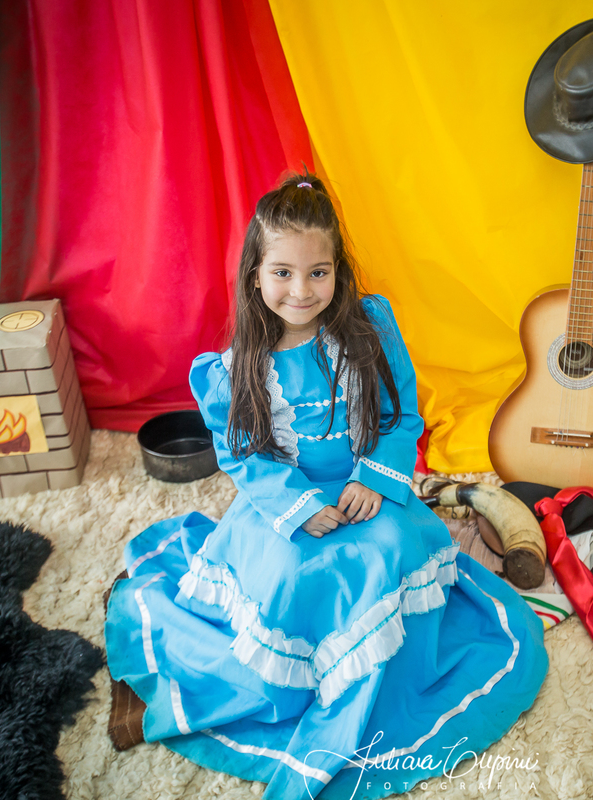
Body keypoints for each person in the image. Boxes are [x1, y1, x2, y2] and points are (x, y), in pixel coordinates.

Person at [104, 174, 547, 800]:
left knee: (391, 548)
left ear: (338, 269)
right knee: (291, 573)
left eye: (318, 272)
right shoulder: (236, 366)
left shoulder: (370, 328)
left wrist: (374, 477)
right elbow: (243, 454)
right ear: (255, 274)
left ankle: (385, 683)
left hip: (366, 487)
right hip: (284, 499)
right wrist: (299, 505)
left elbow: (401, 415)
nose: (301, 290)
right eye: (282, 273)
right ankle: (295, 687)